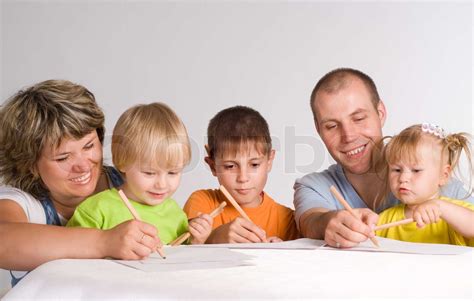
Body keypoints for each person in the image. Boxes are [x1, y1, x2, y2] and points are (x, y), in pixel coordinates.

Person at [0, 80, 161, 286]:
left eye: (89, 146)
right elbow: (4, 240)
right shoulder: (23, 203)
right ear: (30, 164)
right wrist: (105, 242)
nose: (83, 166)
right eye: (63, 158)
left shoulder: (129, 182)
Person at [293, 68, 474, 248]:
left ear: (380, 113)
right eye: (332, 126)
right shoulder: (313, 186)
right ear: (318, 129)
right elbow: (311, 220)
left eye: (358, 119)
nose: (348, 136)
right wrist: (328, 222)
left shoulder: (432, 172)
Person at [67, 102, 200, 244]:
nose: (162, 184)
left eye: (173, 172)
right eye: (149, 173)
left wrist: (196, 241)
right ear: (122, 162)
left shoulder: (176, 214)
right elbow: (71, 254)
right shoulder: (96, 210)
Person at [184, 106, 300, 244]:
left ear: (269, 161)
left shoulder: (287, 220)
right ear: (212, 165)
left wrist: (283, 253)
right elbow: (185, 250)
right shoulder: (202, 203)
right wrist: (214, 238)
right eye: (230, 166)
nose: (243, 178)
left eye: (254, 165)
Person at [375, 123, 474, 246]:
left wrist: (440, 207)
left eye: (416, 170)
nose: (403, 178)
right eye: (396, 170)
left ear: (444, 175)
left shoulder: (453, 212)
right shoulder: (385, 219)